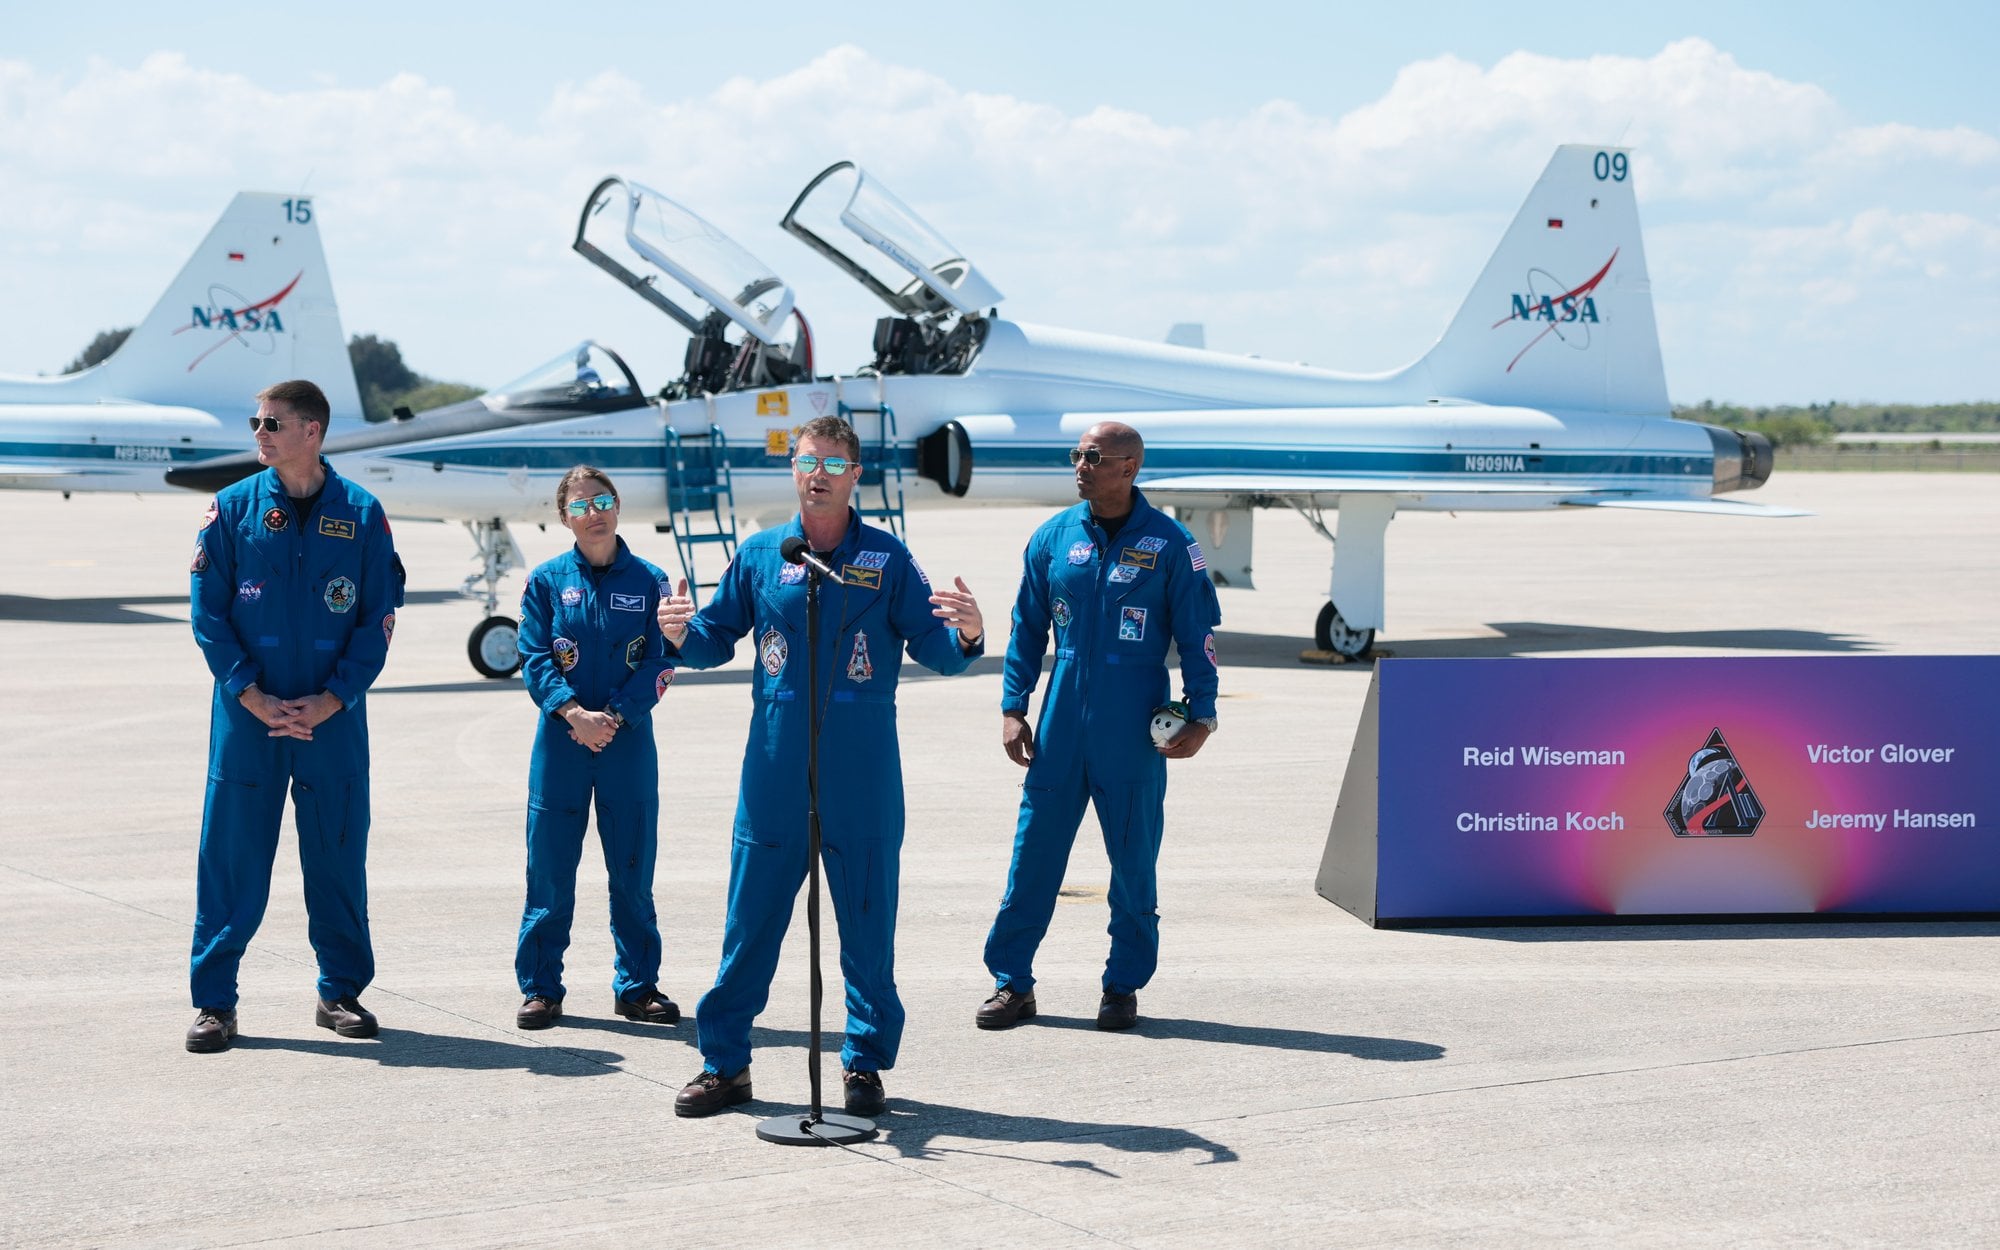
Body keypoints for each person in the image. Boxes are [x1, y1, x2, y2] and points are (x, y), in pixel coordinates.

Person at [656, 415, 985, 1118]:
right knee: (749, 924)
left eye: (835, 464)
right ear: (794, 470)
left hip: (861, 774)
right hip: (774, 771)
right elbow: (716, 638)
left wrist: (970, 631)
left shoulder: (888, 560)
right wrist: (679, 636)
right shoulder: (761, 555)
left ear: (855, 475)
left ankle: (863, 1064)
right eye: (809, 462)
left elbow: (938, 648)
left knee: (868, 922)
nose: (820, 475)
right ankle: (725, 1064)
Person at [976, 421, 1220, 1034]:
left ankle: (1122, 986)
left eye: (1092, 456)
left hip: (1133, 726)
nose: (1079, 465)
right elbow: (1027, 629)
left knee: (1133, 862)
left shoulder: (1171, 545)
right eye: (1077, 455)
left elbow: (1198, 638)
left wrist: (1202, 714)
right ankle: (1012, 983)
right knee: (1033, 856)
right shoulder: (1053, 538)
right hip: (1061, 723)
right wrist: (1013, 707)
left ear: (1128, 467)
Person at [185, 379, 404, 1053]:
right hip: (249, 722)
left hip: (331, 722)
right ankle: (215, 1004)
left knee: (338, 855)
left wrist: (333, 698)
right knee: (232, 861)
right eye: (256, 420)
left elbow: (379, 618)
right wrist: (250, 694)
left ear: (312, 431)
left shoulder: (363, 516)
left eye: (271, 422)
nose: (258, 431)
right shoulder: (231, 511)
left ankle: (339, 991)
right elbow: (208, 614)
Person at [513, 467, 679, 1030]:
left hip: (626, 743)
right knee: (550, 871)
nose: (594, 513)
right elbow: (534, 657)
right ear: (564, 517)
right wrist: (572, 712)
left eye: (603, 501)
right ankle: (541, 988)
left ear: (618, 506)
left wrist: (615, 716)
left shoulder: (652, 580)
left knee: (632, 871)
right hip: (560, 742)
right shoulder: (545, 581)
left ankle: (636, 986)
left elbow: (663, 658)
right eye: (580, 506)